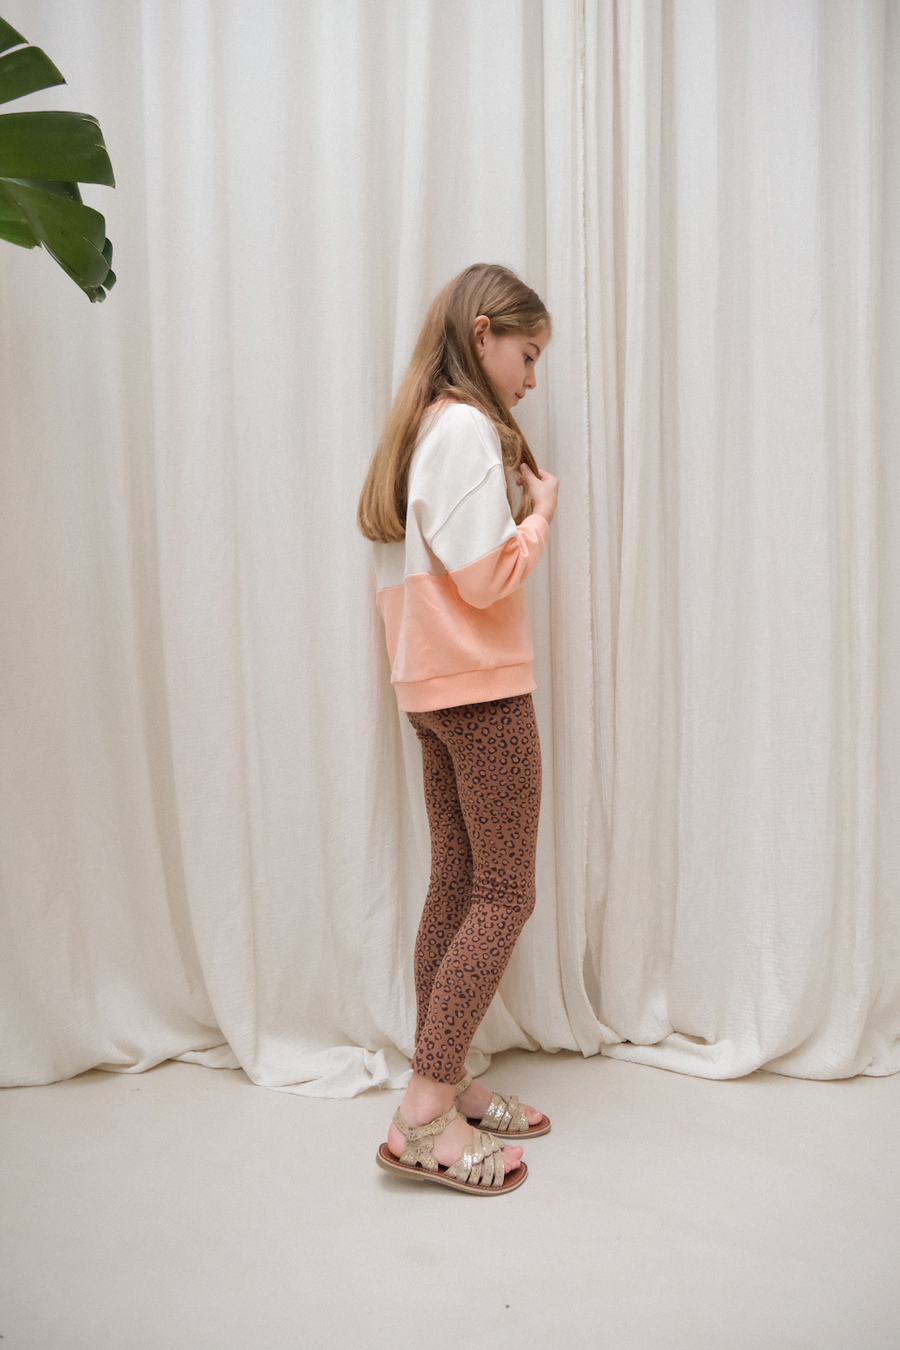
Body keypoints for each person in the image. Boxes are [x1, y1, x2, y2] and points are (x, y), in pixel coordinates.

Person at [358, 263, 558, 1195]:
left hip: (431, 687)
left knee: (459, 880)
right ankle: (424, 1114)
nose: (532, 378)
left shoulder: (426, 425)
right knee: (505, 892)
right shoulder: (469, 427)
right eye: (529, 354)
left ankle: (446, 1073)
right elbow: (484, 578)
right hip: (481, 689)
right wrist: (540, 517)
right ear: (484, 335)